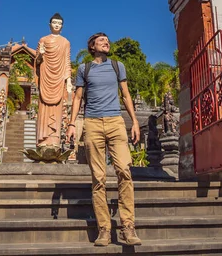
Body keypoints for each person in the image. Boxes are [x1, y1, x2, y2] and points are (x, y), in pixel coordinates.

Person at [67, 33, 142, 247]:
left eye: (107, 40)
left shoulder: (118, 66)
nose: (106, 42)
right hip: (92, 123)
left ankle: (128, 226)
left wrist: (134, 122)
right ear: (92, 46)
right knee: (98, 178)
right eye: (101, 40)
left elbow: (126, 95)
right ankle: (104, 229)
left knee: (124, 170)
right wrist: (72, 124)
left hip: (116, 122)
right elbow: (78, 98)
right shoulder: (84, 69)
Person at [35, 13, 72, 147]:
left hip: (58, 80)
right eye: (54, 22)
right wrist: (40, 55)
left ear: (62, 26)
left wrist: (68, 80)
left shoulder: (65, 42)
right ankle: (42, 140)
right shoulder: (43, 40)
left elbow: (67, 61)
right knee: (43, 108)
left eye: (59, 23)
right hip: (45, 78)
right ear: (49, 24)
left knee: (57, 109)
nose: (57, 25)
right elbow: (37, 62)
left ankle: (54, 141)